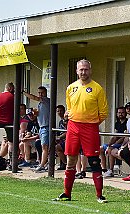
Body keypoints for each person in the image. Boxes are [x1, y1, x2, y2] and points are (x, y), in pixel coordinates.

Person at [52, 59, 108, 203]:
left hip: (90, 127)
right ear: (77, 71)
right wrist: (68, 114)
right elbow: (69, 107)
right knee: (71, 159)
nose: (83, 72)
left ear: (90, 70)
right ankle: (67, 193)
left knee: (94, 161)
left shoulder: (97, 88)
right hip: (73, 127)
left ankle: (99, 195)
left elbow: (103, 112)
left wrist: (91, 122)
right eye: (81, 70)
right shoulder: (71, 88)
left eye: (86, 69)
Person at [23, 86, 51, 173]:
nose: (40, 94)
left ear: (45, 93)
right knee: (44, 147)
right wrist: (35, 114)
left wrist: (23, 92)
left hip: (46, 127)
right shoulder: (40, 104)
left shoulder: (46, 100)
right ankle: (44, 164)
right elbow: (39, 115)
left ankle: (42, 165)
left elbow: (34, 98)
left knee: (45, 147)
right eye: (39, 93)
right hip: (41, 127)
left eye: (42, 92)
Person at [101, 106, 127, 177]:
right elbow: (115, 136)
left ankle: (111, 170)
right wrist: (109, 144)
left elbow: (124, 137)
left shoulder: (127, 122)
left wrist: (113, 145)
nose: (120, 114)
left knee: (110, 149)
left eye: (122, 112)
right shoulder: (117, 123)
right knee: (101, 148)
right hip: (115, 143)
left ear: (125, 113)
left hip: (122, 143)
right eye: (119, 113)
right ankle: (104, 169)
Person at [0, 82, 15, 161]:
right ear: (10, 88)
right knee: (11, 142)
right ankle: (11, 162)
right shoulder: (12, 96)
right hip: (8, 121)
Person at [55, 105, 67, 170]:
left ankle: (66, 164)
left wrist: (59, 137)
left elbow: (68, 132)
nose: (59, 112)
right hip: (62, 140)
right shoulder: (60, 122)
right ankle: (63, 164)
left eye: (61, 111)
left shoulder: (67, 121)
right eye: (58, 111)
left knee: (57, 147)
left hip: (68, 140)